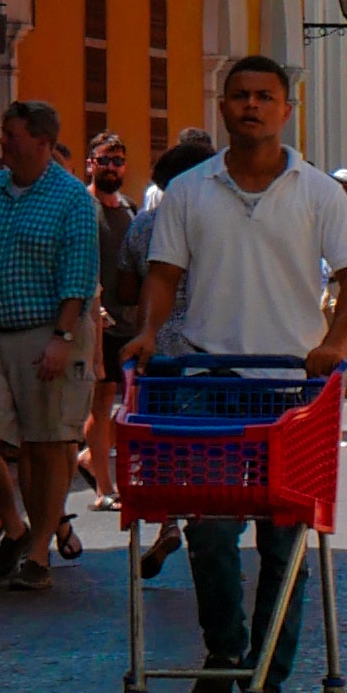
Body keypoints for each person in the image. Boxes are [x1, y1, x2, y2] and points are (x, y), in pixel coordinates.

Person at [125, 56, 347, 693]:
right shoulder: (190, 193)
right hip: (208, 383)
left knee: (284, 540)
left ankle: (268, 679)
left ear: (286, 109)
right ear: (223, 106)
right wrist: (148, 332)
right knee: (208, 529)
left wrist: (336, 342)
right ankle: (227, 654)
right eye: (240, 96)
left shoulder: (319, 193)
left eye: (265, 96)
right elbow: (164, 275)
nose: (252, 106)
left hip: (293, 386)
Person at [0, 98, 101, 589]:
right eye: (2, 134)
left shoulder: (72, 197)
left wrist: (62, 338)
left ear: (42, 141)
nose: (3, 144)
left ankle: (37, 553)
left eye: (11, 136)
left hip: (47, 330)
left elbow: (78, 275)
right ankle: (14, 528)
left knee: (45, 446)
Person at [128, 130, 218, 576]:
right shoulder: (215, 225)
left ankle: (166, 522)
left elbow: (126, 282)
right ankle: (203, 523)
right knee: (202, 443)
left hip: (155, 351)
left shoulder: (144, 225)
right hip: (208, 352)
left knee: (159, 440)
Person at [84, 139, 141, 506]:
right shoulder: (83, 207)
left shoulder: (130, 209)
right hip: (98, 322)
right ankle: (105, 488)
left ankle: (91, 457)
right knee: (100, 404)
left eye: (118, 161)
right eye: (105, 161)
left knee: (134, 406)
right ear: (91, 164)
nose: (112, 167)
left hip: (132, 324)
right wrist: (94, 308)